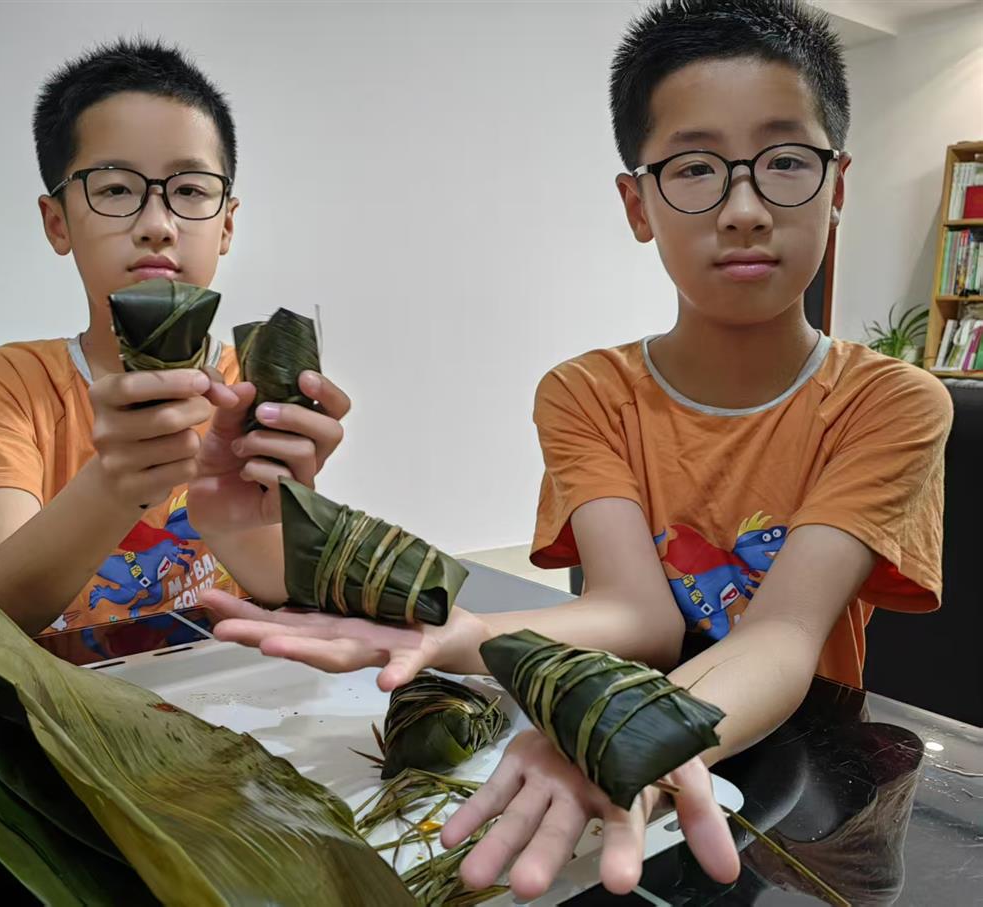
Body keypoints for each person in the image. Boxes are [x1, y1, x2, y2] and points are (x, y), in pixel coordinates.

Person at [202, 0, 951, 898]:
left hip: (795, 784)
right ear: (638, 204)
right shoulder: (587, 392)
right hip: (622, 759)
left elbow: (785, 631)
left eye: (786, 161)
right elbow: (639, 615)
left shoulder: (889, 402)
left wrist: (626, 734)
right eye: (695, 169)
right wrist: (468, 634)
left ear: (838, 184)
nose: (746, 209)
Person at [0, 39, 350, 636]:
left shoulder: (251, 386)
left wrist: (256, 514)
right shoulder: (12, 383)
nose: (157, 225)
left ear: (226, 224)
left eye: (190, 190)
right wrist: (113, 483)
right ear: (58, 223)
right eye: (115, 188)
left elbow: (281, 589)